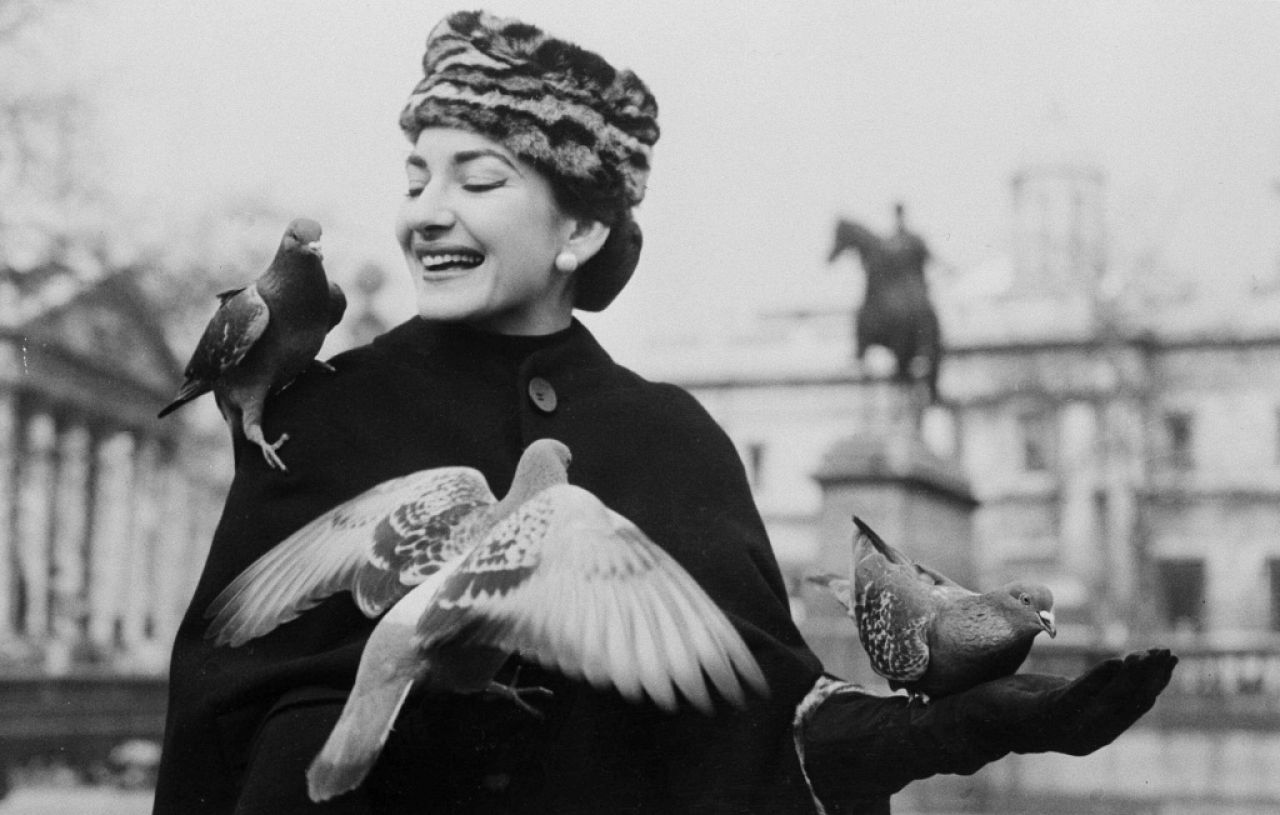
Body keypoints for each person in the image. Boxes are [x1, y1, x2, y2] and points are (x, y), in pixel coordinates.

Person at [153, 11, 1175, 815]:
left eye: (477, 177)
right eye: (415, 177)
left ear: (580, 228)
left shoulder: (675, 440)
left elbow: (761, 731)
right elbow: (216, 721)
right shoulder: (324, 414)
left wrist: (949, 729)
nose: (426, 211)